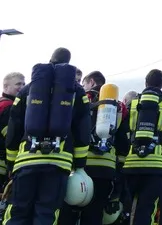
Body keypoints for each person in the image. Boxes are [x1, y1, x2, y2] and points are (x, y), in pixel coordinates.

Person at [4, 48, 91, 225]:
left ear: (50, 60)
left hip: (26, 159)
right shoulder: (76, 91)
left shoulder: (28, 90)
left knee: (17, 211)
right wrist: (80, 165)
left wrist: (11, 163)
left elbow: (14, 127)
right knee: (46, 213)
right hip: (59, 161)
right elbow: (83, 130)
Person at [59, 71, 129, 225]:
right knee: (94, 215)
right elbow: (124, 142)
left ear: (90, 82)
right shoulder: (118, 107)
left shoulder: (79, 99)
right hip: (105, 170)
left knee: (67, 212)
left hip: (78, 166)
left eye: (83, 83)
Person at [123, 69, 162, 225]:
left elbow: (124, 132)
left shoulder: (133, 103)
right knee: (146, 211)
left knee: (126, 209)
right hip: (156, 167)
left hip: (131, 164)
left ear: (145, 83)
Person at [0, 73, 25, 190]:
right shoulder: (8, 107)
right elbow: (11, 137)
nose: (22, 87)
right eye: (18, 84)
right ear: (6, 87)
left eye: (24, 84)